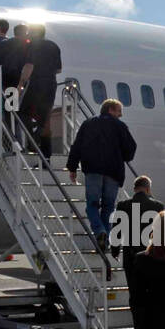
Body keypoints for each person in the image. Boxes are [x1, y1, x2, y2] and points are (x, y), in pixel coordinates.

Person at [66, 98, 137, 252]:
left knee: (92, 205)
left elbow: (76, 146)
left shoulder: (88, 124)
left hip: (93, 171)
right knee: (108, 207)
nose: (120, 115)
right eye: (119, 112)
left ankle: (100, 232)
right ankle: (105, 238)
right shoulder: (120, 126)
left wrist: (72, 167)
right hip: (113, 172)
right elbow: (131, 148)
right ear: (110, 110)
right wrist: (122, 156)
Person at [18, 23, 62, 157]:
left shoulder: (34, 45)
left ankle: (33, 139)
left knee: (22, 112)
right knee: (45, 119)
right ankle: (46, 155)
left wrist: (20, 85)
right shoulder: (54, 46)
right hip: (51, 84)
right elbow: (59, 69)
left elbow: (29, 65)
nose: (28, 35)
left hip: (37, 83)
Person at [112, 174, 164, 284]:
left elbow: (117, 231)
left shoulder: (123, 205)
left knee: (133, 290)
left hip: (130, 255)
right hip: (151, 255)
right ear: (148, 189)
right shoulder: (158, 206)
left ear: (134, 189)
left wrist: (115, 251)